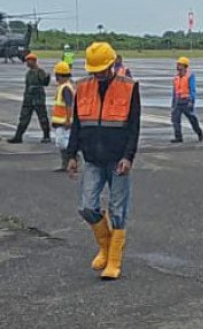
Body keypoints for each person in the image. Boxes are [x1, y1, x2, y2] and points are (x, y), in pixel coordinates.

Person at [66, 41, 141, 281]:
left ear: (111, 65)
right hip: (93, 159)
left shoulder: (129, 87)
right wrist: (71, 155)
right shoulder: (83, 87)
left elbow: (134, 127)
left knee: (118, 210)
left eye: (101, 70)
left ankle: (114, 260)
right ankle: (106, 247)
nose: (97, 74)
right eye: (94, 70)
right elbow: (77, 125)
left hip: (118, 159)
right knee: (87, 207)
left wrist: (128, 157)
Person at [7, 53, 51, 144]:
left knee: (42, 117)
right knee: (24, 118)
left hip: (38, 98)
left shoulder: (40, 72)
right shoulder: (29, 73)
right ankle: (18, 136)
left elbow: (45, 83)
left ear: (34, 61)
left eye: (29, 61)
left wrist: (47, 78)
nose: (27, 63)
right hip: (28, 99)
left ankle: (46, 136)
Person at [171, 57, 203, 143]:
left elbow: (192, 89)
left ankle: (199, 132)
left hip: (186, 101)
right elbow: (174, 91)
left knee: (192, 119)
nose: (177, 66)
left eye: (180, 65)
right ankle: (178, 137)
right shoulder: (176, 77)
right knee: (175, 120)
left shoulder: (190, 76)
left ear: (185, 66)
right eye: (177, 64)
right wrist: (173, 104)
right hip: (178, 101)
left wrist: (191, 101)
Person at [51, 61, 76, 172]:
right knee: (60, 142)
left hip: (64, 121)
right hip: (59, 121)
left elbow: (68, 105)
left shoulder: (65, 88)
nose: (56, 78)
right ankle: (66, 163)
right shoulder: (62, 87)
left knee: (63, 142)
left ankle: (73, 159)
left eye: (57, 75)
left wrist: (68, 120)